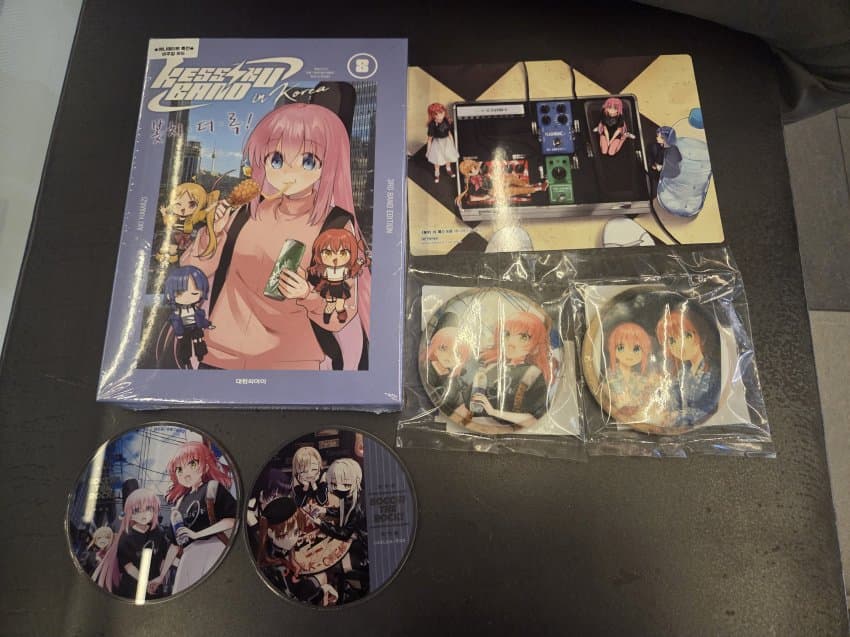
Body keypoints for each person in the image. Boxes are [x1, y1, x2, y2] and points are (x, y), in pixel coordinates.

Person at [179, 102, 370, 371]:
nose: (288, 172)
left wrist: (307, 295)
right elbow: (191, 273)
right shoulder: (246, 212)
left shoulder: (335, 225)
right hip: (219, 355)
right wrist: (214, 233)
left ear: (328, 165)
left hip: (291, 364)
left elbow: (342, 314)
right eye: (277, 159)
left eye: (307, 161)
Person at [164, 441, 237, 594]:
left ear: (205, 465)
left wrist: (197, 534)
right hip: (189, 555)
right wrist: (160, 576)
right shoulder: (180, 502)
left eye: (192, 464)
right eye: (179, 469)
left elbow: (232, 520)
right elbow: (175, 543)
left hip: (214, 549)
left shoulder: (212, 487)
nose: (185, 473)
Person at [469, 311, 554, 430]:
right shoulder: (491, 367)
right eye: (507, 334)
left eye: (523, 337)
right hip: (473, 428)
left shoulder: (532, 373)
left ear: (536, 347)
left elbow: (534, 420)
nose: (511, 343)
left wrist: (493, 412)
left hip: (506, 432)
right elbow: (466, 405)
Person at [92, 486, 178, 600]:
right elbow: (128, 567)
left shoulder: (158, 532)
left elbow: (168, 552)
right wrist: (145, 582)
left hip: (155, 587)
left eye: (148, 508)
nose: (143, 514)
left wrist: (160, 577)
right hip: (132, 588)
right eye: (137, 510)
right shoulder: (126, 537)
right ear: (129, 513)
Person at [655, 307, 720, 427]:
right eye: (672, 341)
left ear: (701, 336)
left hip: (707, 427)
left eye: (686, 336)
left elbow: (709, 408)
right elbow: (673, 394)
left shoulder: (713, 372)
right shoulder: (683, 370)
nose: (680, 345)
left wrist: (678, 416)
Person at [163, 266, 215, 369]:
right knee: (184, 345)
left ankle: (200, 355)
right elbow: (176, 323)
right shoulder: (177, 313)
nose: (187, 297)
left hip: (195, 327)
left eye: (194, 293)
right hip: (184, 329)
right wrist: (179, 333)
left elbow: (201, 320)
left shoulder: (196, 310)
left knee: (199, 341)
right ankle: (185, 359)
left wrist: (207, 325)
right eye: (179, 293)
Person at [605, 322, 656, 420]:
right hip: (613, 416)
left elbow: (645, 392)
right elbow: (619, 398)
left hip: (634, 418)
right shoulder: (611, 374)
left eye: (636, 349)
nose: (629, 354)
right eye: (621, 348)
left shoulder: (636, 377)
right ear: (612, 348)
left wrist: (650, 384)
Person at [425, 102, 459, 182]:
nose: (441, 115)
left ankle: (448, 169)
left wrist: (453, 145)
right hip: (437, 143)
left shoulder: (446, 120)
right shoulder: (432, 125)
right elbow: (429, 139)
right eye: (438, 113)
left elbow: (449, 133)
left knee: (448, 157)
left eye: (442, 112)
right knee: (437, 159)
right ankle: (437, 173)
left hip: (447, 141)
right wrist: (428, 151)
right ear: (433, 115)